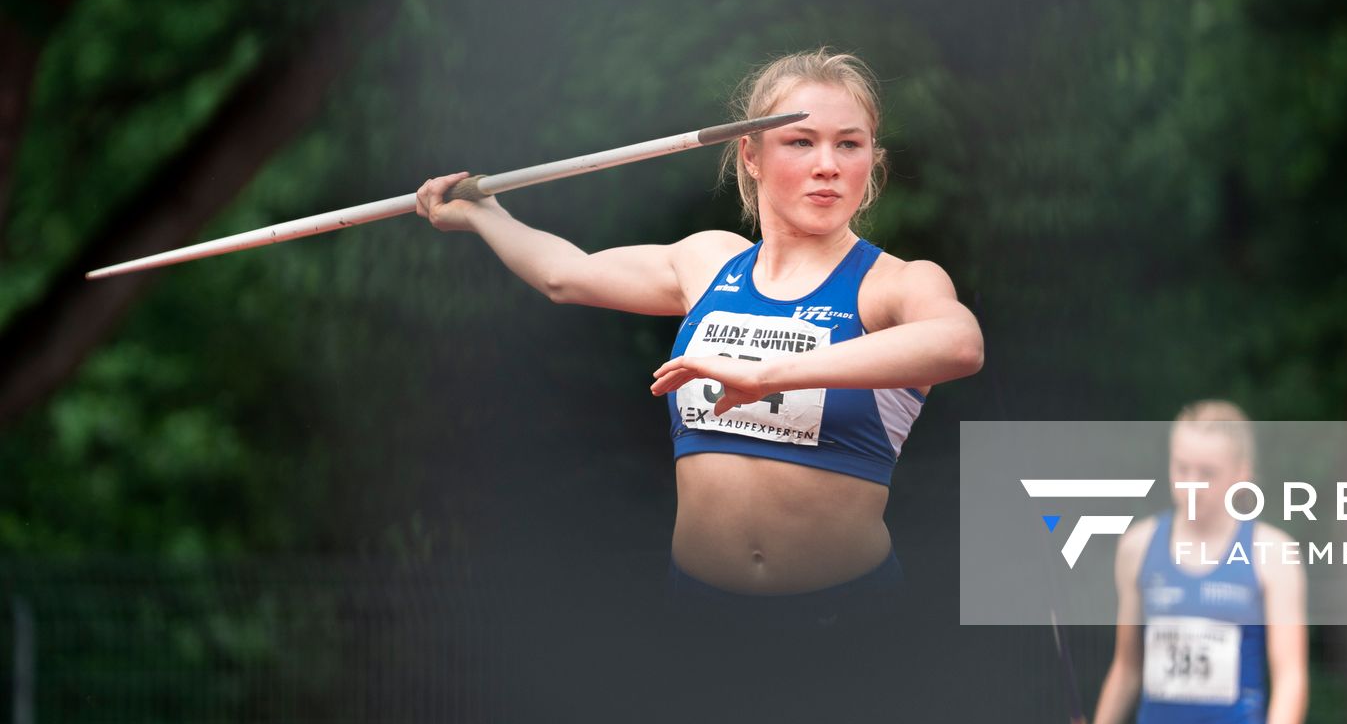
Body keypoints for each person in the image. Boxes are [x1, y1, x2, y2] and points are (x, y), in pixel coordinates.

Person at [414, 48, 984, 612]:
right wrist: (482, 215)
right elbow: (566, 275)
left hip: (846, 623)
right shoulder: (709, 263)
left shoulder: (894, 284)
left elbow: (959, 344)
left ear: (872, 160)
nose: (828, 165)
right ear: (751, 155)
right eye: (801, 141)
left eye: (849, 144)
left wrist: (767, 375)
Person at [1063, 402, 1308, 724]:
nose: (1191, 484)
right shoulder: (1138, 546)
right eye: (1182, 469)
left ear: (1241, 475)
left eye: (1208, 473)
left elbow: (1292, 679)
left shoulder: (1271, 553)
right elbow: (1129, 666)